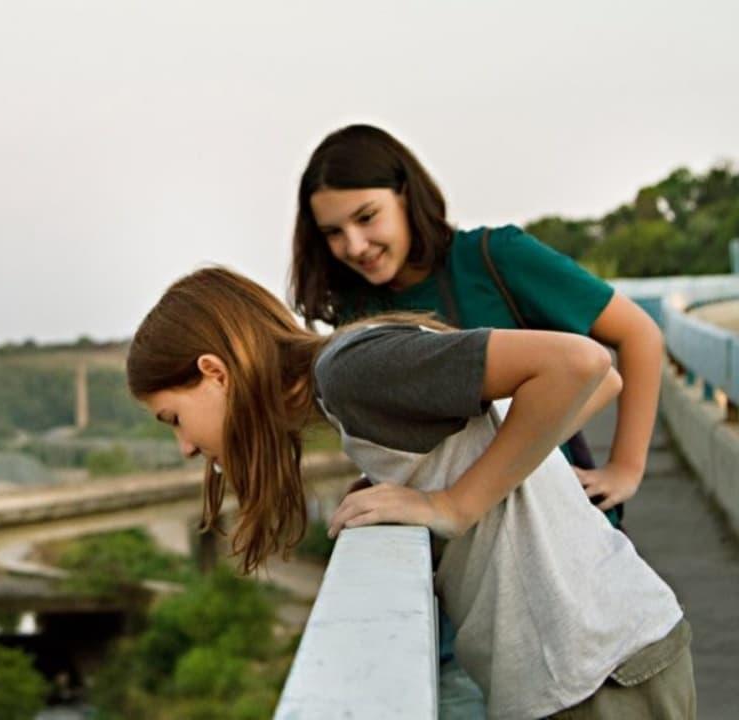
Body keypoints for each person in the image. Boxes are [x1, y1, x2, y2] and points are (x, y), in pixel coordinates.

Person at [126, 267, 694, 719]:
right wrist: (482, 470)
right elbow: (598, 386)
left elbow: (582, 365)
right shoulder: (352, 381)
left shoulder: (349, 373)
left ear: (214, 372)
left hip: (593, 674)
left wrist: (454, 503)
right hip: (607, 657)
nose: (185, 447)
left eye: (173, 417)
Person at [289, 123, 663, 527]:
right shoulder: (356, 313)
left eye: (367, 217)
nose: (355, 245)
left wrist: (625, 468)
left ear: (406, 196)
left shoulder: (493, 257)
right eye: (333, 233)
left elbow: (637, 333)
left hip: (553, 525)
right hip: (461, 554)